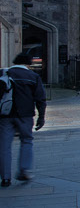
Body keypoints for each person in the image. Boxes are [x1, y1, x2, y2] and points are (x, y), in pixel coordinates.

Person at [1, 53, 47, 186]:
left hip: (5, 115)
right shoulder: (33, 77)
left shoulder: (4, 73)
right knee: (26, 140)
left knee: (4, 146)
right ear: (28, 64)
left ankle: (5, 177)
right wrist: (41, 117)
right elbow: (40, 99)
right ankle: (24, 170)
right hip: (25, 115)